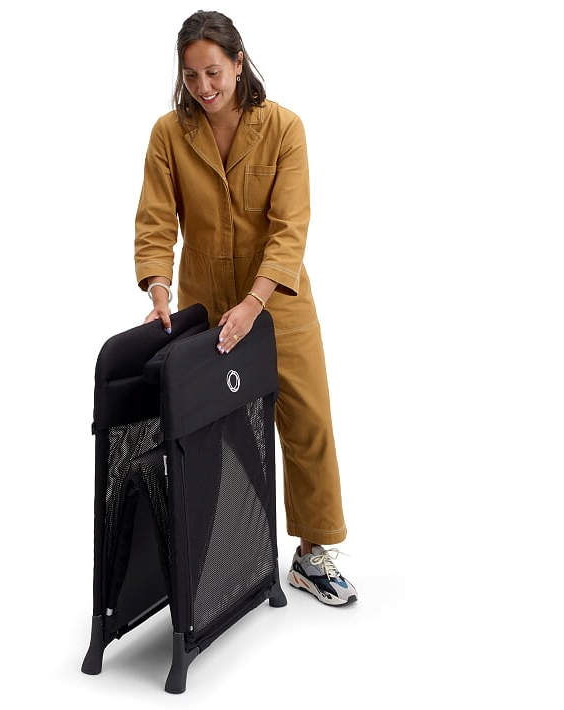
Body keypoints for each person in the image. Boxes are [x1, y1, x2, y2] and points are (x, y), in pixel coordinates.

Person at [134, 10, 357, 606]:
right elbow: (155, 220)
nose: (203, 87)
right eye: (191, 76)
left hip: (279, 302)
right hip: (207, 307)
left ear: (238, 63)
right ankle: (214, 556)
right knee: (208, 432)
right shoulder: (168, 134)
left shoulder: (285, 128)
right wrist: (159, 290)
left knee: (307, 422)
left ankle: (312, 554)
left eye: (213, 72)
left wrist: (255, 302)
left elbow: (289, 229)